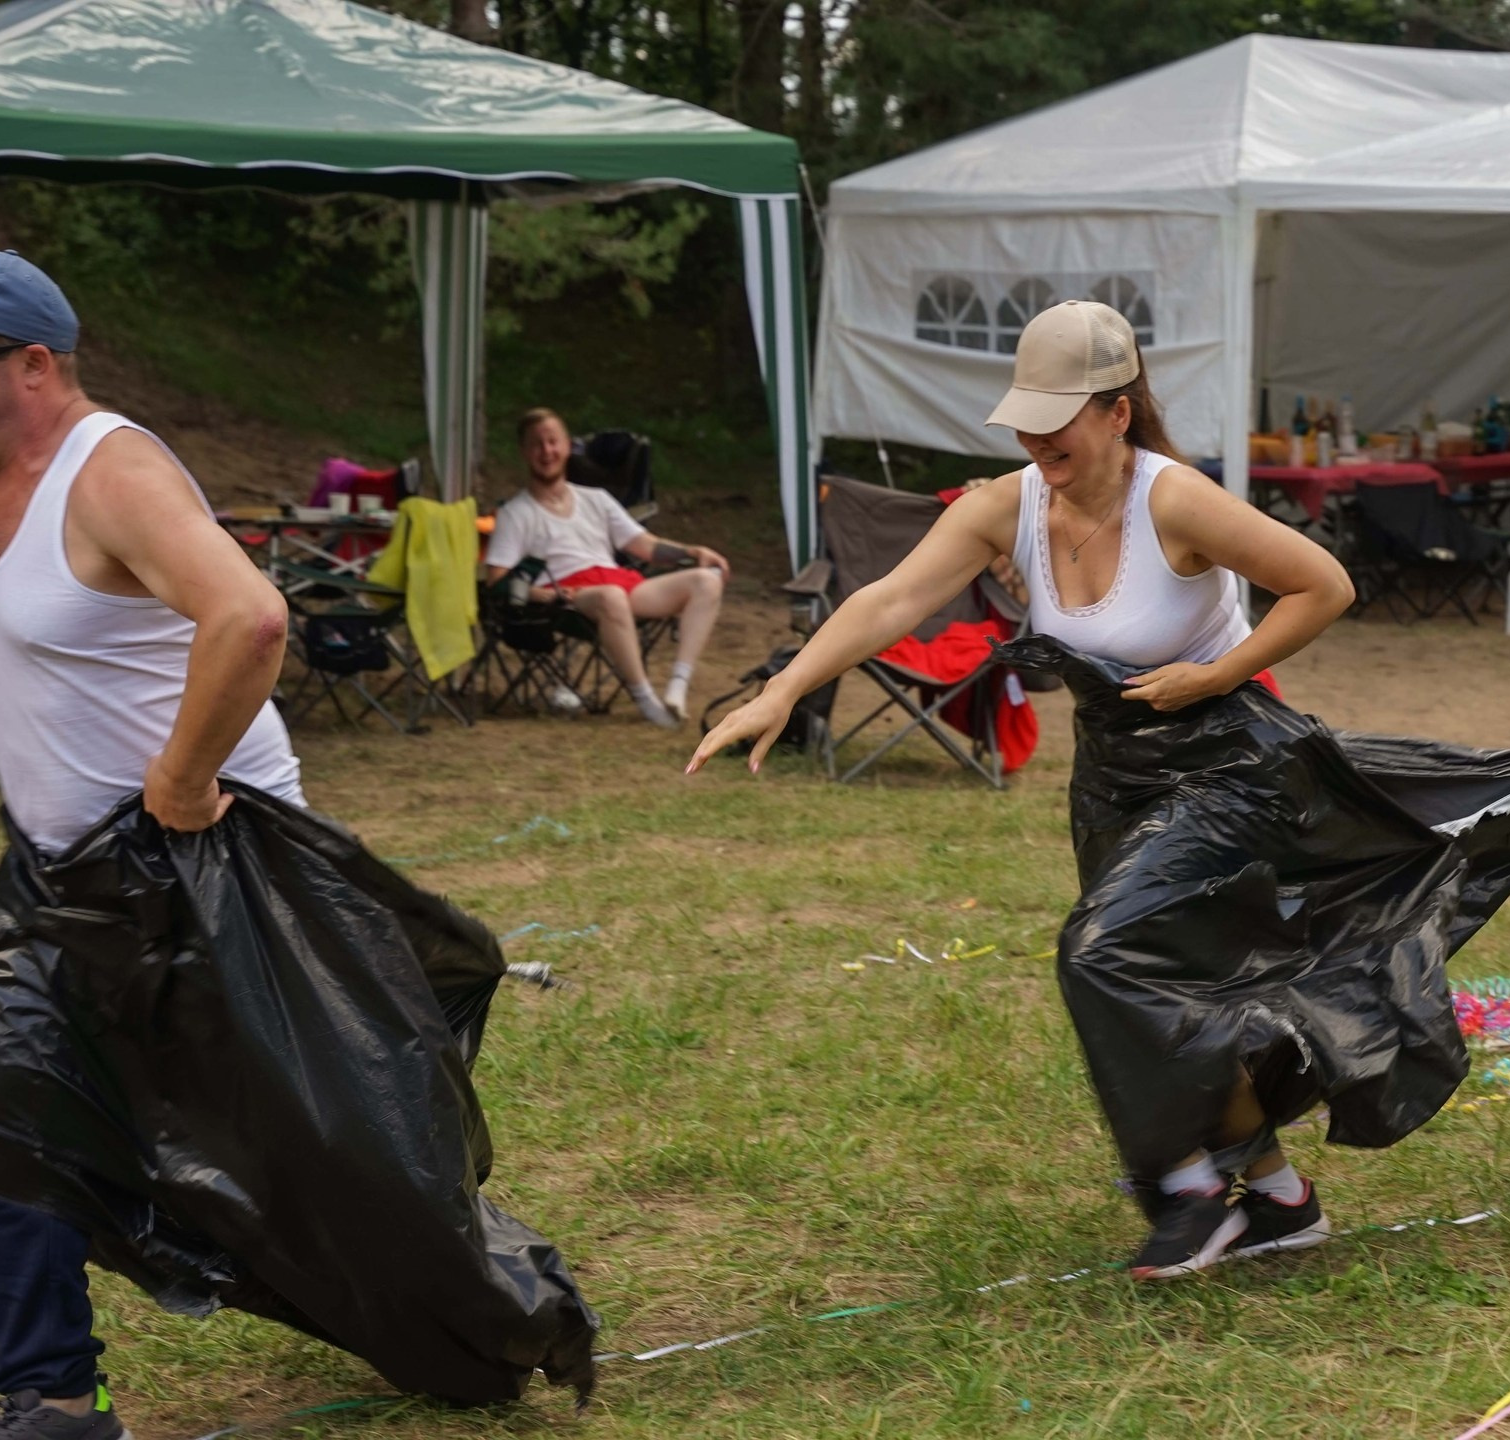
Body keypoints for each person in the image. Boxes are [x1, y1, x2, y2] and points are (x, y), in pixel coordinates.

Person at [692, 300, 1362, 1279]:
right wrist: (783, 689)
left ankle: (1184, 1196)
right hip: (1114, 772)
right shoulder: (1009, 506)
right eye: (1026, 415)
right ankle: (1277, 1196)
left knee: (1101, 956)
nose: (1035, 434)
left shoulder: (1174, 501)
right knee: (1167, 994)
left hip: (1223, 766)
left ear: (1118, 412)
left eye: (1060, 414)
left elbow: (1323, 585)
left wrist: (1217, 674)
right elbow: (888, 599)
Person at [0, 250, 304, 1439]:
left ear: (33, 364)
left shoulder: (111, 469)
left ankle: (469, 1313)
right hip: (61, 866)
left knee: (302, 1137)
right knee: (14, 1107)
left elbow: (249, 616)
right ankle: (51, 1397)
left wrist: (183, 781)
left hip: (199, 858)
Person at [484, 408, 731, 725]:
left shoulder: (596, 499)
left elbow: (645, 546)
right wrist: (539, 596)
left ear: (567, 446)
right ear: (524, 453)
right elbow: (496, 581)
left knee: (707, 581)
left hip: (619, 582)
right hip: (569, 597)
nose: (547, 451)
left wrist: (694, 552)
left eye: (553, 442)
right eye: (537, 444)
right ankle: (646, 700)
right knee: (611, 596)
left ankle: (677, 687)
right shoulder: (516, 513)